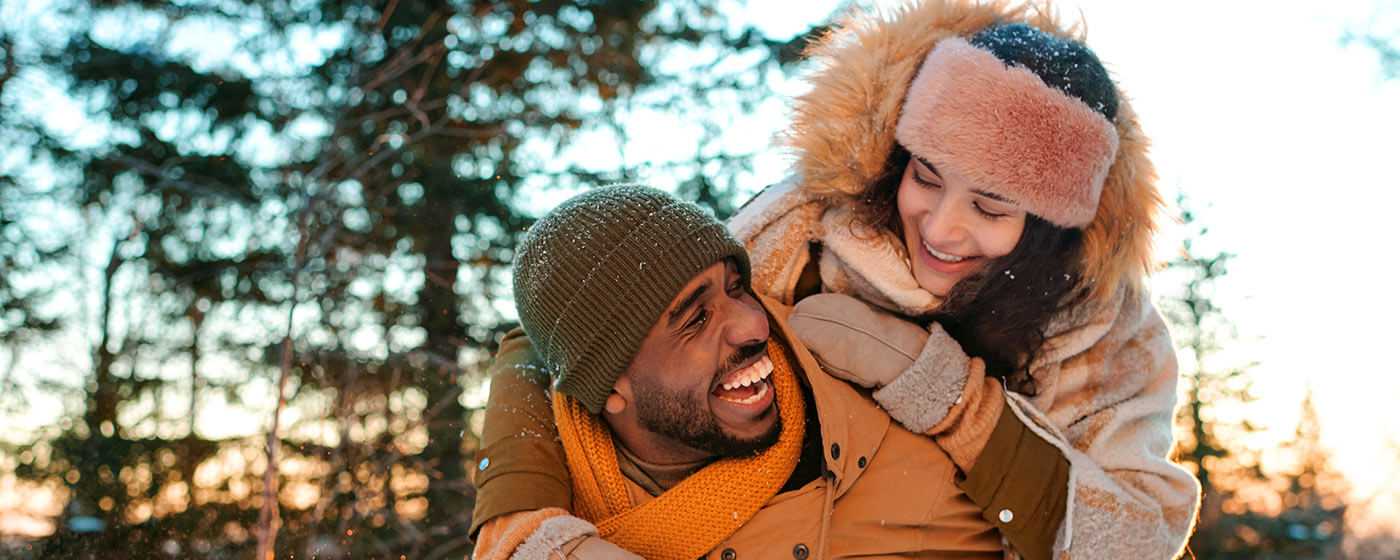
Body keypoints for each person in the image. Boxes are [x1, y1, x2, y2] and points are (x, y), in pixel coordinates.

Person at [473, 1, 1201, 558]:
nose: (942, 227)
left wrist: (954, 402)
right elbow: (584, 322)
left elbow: (1133, 541)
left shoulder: (1102, 335)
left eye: (990, 206)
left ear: (1046, 223)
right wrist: (521, 523)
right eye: (927, 176)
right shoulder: (817, 219)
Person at [472, 185, 1005, 559]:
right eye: (695, 318)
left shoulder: (880, 427)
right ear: (610, 385)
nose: (754, 323)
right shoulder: (562, 496)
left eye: (736, 287)